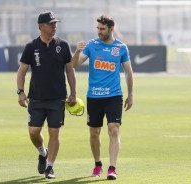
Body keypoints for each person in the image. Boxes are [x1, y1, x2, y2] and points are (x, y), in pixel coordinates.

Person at [72, 15, 133, 180]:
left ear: (111, 29)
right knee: (94, 133)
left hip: (114, 96)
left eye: (102, 29)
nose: (99, 31)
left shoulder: (121, 48)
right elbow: (74, 65)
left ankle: (112, 168)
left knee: (114, 129)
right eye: (98, 28)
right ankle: (98, 164)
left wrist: (131, 94)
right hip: (94, 96)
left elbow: (128, 71)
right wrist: (77, 51)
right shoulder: (91, 45)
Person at [17, 11, 76, 179]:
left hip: (57, 97)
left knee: (54, 133)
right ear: (41, 26)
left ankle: (50, 167)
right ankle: (43, 153)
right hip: (36, 97)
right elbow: (22, 71)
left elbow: (70, 70)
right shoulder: (31, 46)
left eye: (55, 23)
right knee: (34, 132)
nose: (54, 26)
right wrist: (21, 92)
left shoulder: (63, 45)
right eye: (51, 23)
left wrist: (73, 93)